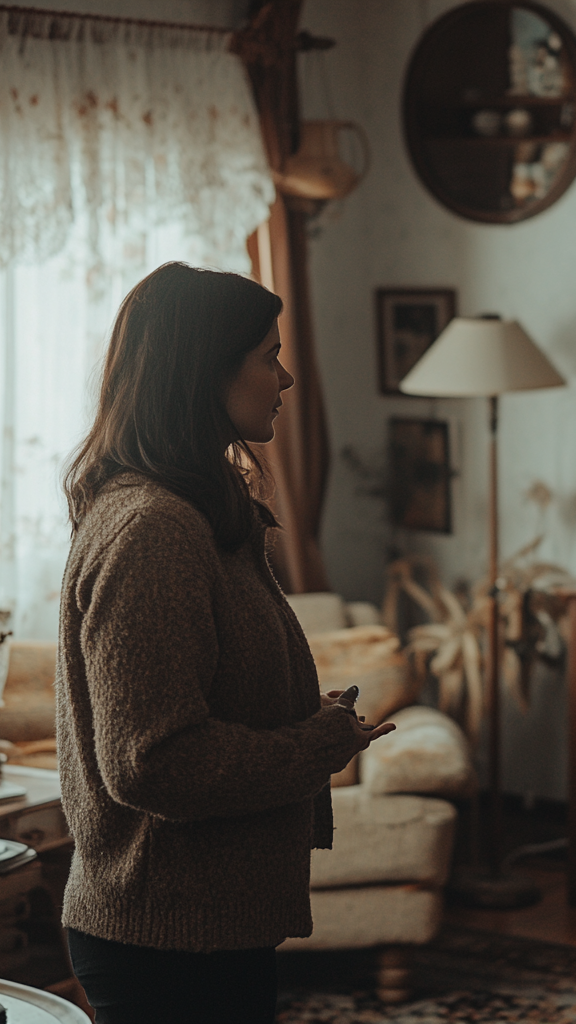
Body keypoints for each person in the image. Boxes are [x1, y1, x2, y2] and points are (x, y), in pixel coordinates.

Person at [55, 262, 395, 1024]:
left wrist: (303, 716)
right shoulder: (154, 528)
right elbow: (154, 762)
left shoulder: (197, 509)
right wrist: (318, 744)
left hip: (204, 926)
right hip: (166, 940)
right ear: (204, 370)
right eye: (268, 355)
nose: (287, 377)